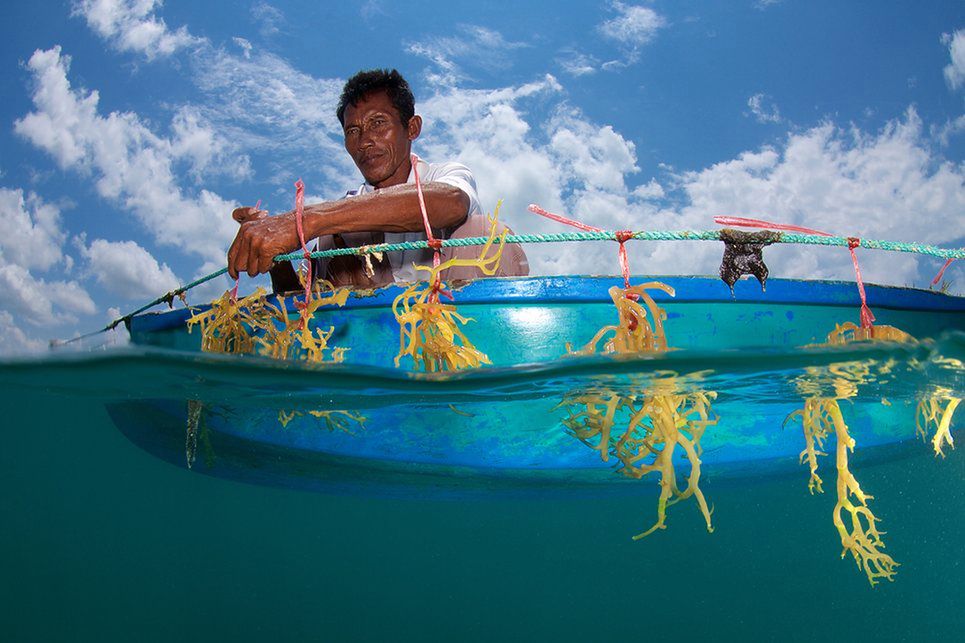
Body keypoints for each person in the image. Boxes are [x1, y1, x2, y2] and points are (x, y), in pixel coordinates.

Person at [227, 69, 528, 291]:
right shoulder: (341, 216)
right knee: (334, 242)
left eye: (378, 123)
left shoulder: (444, 177)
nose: (365, 141)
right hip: (372, 348)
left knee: (484, 231)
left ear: (412, 128)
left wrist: (304, 222)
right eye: (353, 131)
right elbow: (297, 308)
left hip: (454, 340)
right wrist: (274, 255)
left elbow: (452, 203)